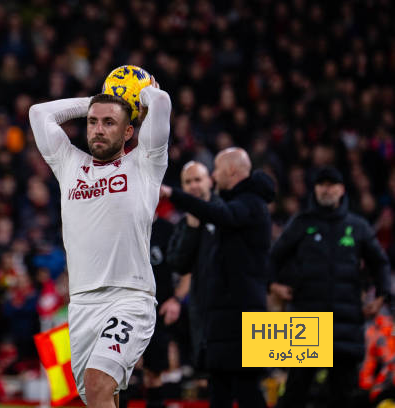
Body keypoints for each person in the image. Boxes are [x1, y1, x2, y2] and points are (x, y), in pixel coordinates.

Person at [29, 76, 171, 407]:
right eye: (93, 122)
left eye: (109, 122)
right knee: (99, 397)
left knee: (97, 384)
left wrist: (140, 93)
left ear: (128, 132)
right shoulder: (69, 164)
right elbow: (38, 113)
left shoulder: (145, 164)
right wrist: (94, 100)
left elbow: (161, 103)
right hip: (81, 305)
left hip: (129, 299)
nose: (98, 129)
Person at [160, 147, 274, 408]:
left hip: (242, 315)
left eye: (215, 171)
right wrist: (191, 223)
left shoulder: (243, 205)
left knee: (245, 388)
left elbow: (223, 216)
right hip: (217, 317)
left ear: (231, 171)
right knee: (221, 387)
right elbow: (179, 262)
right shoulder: (213, 214)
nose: (212, 175)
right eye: (187, 182)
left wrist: (174, 195)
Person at [269, 166, 391, 408]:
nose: (327, 189)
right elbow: (273, 258)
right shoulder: (301, 223)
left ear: (342, 189)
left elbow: (380, 263)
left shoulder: (358, 226)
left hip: (345, 323)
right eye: (322, 184)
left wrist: (382, 297)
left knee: (343, 396)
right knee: (294, 392)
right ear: (315, 189)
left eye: (332, 184)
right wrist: (273, 285)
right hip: (305, 322)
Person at [159, 161, 218, 376]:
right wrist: (192, 229)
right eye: (188, 182)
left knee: (244, 381)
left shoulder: (228, 214)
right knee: (211, 378)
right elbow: (177, 263)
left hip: (232, 309)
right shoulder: (184, 225)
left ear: (210, 181)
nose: (193, 185)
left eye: (198, 179)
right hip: (201, 312)